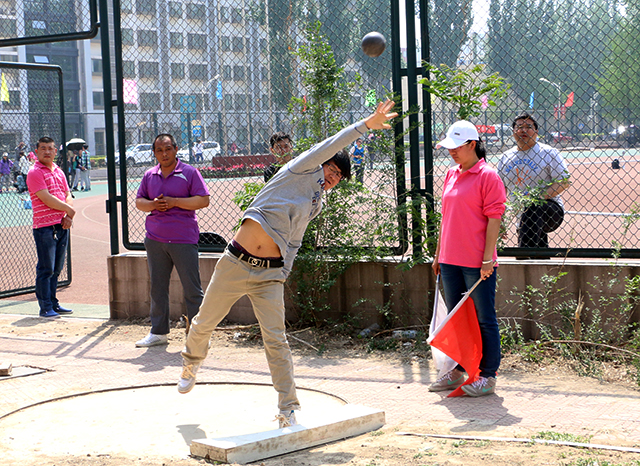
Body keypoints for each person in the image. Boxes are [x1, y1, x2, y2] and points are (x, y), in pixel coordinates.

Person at [178, 100, 398, 427]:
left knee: (276, 340)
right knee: (204, 322)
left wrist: (283, 273)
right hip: (235, 262)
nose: (333, 178)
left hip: (269, 275)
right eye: (332, 170)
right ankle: (192, 361)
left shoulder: (315, 203)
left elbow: (294, 241)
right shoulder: (299, 169)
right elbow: (333, 143)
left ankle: (287, 409)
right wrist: (365, 125)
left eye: (339, 177)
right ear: (321, 163)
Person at [430, 120, 506, 397]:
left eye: (456, 147)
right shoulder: (451, 173)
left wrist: (487, 260)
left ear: (473, 144)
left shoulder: (488, 176)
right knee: (457, 318)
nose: (451, 151)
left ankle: (488, 375)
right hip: (449, 260)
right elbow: (446, 218)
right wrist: (438, 255)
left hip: (476, 262)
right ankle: (459, 369)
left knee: (484, 318)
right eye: (449, 147)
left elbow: (494, 218)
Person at [134, 134, 211, 348]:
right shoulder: (149, 175)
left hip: (183, 239)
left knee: (192, 289)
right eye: (159, 150)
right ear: (154, 153)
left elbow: (203, 200)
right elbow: (139, 202)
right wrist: (153, 205)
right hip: (155, 240)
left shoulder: (189, 173)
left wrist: (175, 202)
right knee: (158, 288)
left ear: (176, 149)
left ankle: (198, 337)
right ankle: (158, 333)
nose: (164, 154)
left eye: (168, 149)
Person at [497, 113, 571, 252]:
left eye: (528, 127)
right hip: (521, 214)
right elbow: (500, 191)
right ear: (513, 131)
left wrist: (537, 197)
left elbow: (564, 181)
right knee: (538, 245)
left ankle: (524, 255)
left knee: (533, 208)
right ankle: (540, 259)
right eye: (519, 127)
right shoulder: (506, 157)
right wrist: (500, 218)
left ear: (536, 131)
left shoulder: (548, 152)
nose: (523, 130)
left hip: (550, 209)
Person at [27, 137, 76, 318]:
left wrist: (68, 215)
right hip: (44, 228)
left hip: (61, 225)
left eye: (50, 148)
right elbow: (46, 198)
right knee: (46, 268)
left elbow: (67, 193)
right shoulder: (34, 172)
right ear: (37, 151)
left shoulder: (59, 171)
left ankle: (53, 304)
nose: (47, 152)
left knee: (56, 269)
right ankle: (45, 307)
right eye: (43, 148)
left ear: (55, 151)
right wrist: (69, 210)